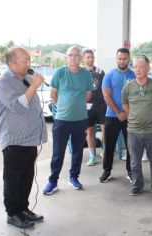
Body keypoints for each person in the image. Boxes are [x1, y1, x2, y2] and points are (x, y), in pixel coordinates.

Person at [0, 47, 47, 229]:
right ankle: (13, 213)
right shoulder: (3, 82)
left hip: (29, 139)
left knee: (26, 176)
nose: (28, 64)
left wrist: (32, 83)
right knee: (13, 179)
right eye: (24, 61)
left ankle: (23, 209)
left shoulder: (26, 78)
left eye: (29, 60)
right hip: (14, 140)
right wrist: (34, 86)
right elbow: (18, 106)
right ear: (12, 63)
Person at [43, 46, 93, 195]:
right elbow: (53, 94)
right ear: (66, 57)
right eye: (70, 55)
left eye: (76, 55)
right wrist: (65, 106)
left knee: (77, 151)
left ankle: (74, 177)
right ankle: (53, 181)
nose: (73, 58)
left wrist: (76, 104)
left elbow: (88, 95)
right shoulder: (60, 72)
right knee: (58, 152)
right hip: (62, 119)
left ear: (80, 57)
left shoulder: (86, 75)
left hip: (80, 119)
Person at [122, 55, 152, 198]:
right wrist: (135, 118)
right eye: (135, 67)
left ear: (148, 68)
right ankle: (137, 185)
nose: (137, 70)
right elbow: (125, 105)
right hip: (134, 131)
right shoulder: (128, 86)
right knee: (135, 162)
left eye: (141, 67)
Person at [99, 48, 135, 183]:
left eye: (124, 58)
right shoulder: (109, 75)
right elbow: (106, 96)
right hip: (112, 115)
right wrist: (118, 112)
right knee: (109, 145)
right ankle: (107, 170)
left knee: (131, 144)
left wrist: (126, 113)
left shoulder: (134, 75)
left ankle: (131, 171)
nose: (122, 61)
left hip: (130, 116)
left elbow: (136, 97)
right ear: (116, 59)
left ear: (128, 59)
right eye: (119, 58)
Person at [83, 49, 106, 166]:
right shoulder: (80, 72)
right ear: (84, 58)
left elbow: (106, 88)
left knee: (105, 129)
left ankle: (105, 151)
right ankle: (92, 155)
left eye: (92, 56)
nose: (90, 59)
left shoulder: (100, 72)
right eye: (88, 57)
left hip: (101, 105)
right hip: (87, 107)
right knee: (90, 130)